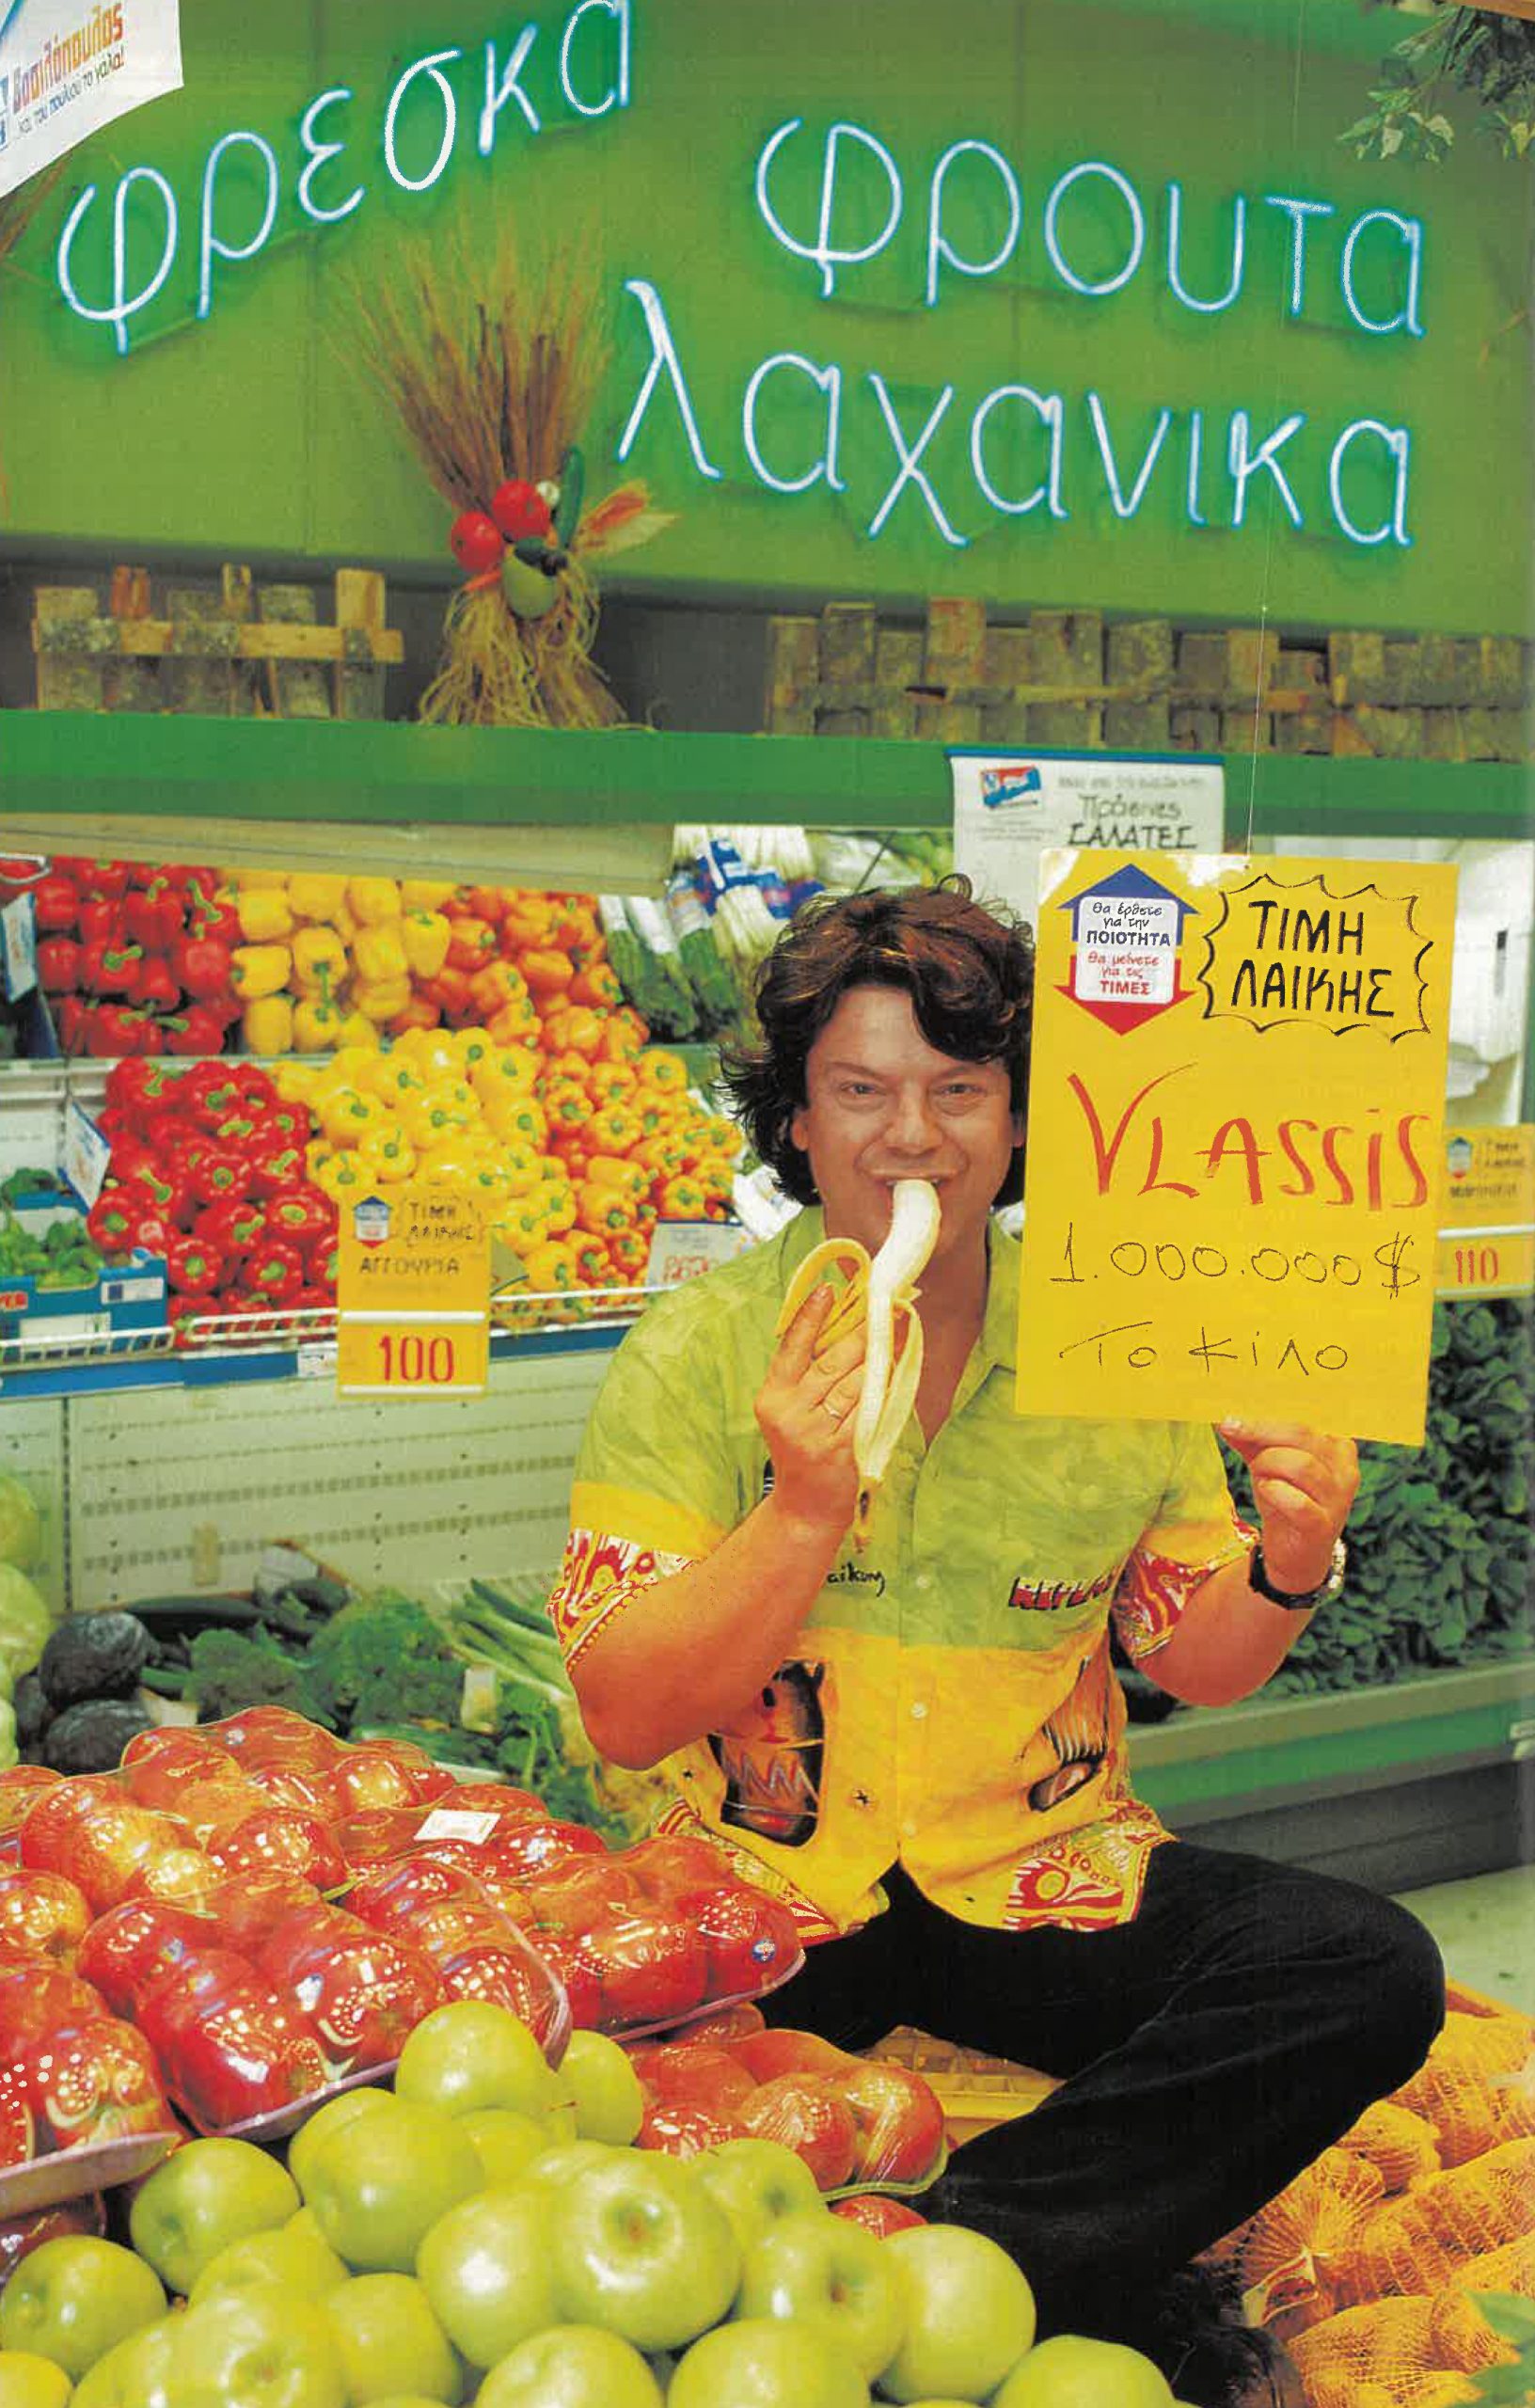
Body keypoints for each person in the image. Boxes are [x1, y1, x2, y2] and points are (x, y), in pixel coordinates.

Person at [547, 879, 1445, 2407]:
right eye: (861, 1092)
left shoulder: (1114, 1341)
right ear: (797, 1123)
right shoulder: (692, 1355)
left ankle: (958, 2250)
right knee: (577, 2088)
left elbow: (1196, 1660)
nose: (913, 1136)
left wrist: (1294, 1559)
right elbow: (626, 1712)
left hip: (1036, 1874)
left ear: (1023, 1121)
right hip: (761, 1893)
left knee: (1366, 1967)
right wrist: (802, 1509)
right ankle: (1082, 2266)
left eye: (960, 1091)